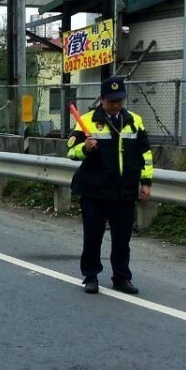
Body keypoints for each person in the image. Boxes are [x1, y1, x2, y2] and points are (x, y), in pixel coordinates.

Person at [66, 76, 154, 295]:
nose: (116, 105)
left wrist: (146, 182)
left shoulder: (134, 120)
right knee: (93, 236)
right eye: (112, 100)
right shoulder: (86, 120)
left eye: (120, 100)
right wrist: (85, 148)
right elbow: (71, 152)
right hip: (94, 190)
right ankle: (91, 276)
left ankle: (122, 278)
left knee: (122, 239)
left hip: (124, 190)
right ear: (102, 99)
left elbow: (145, 153)